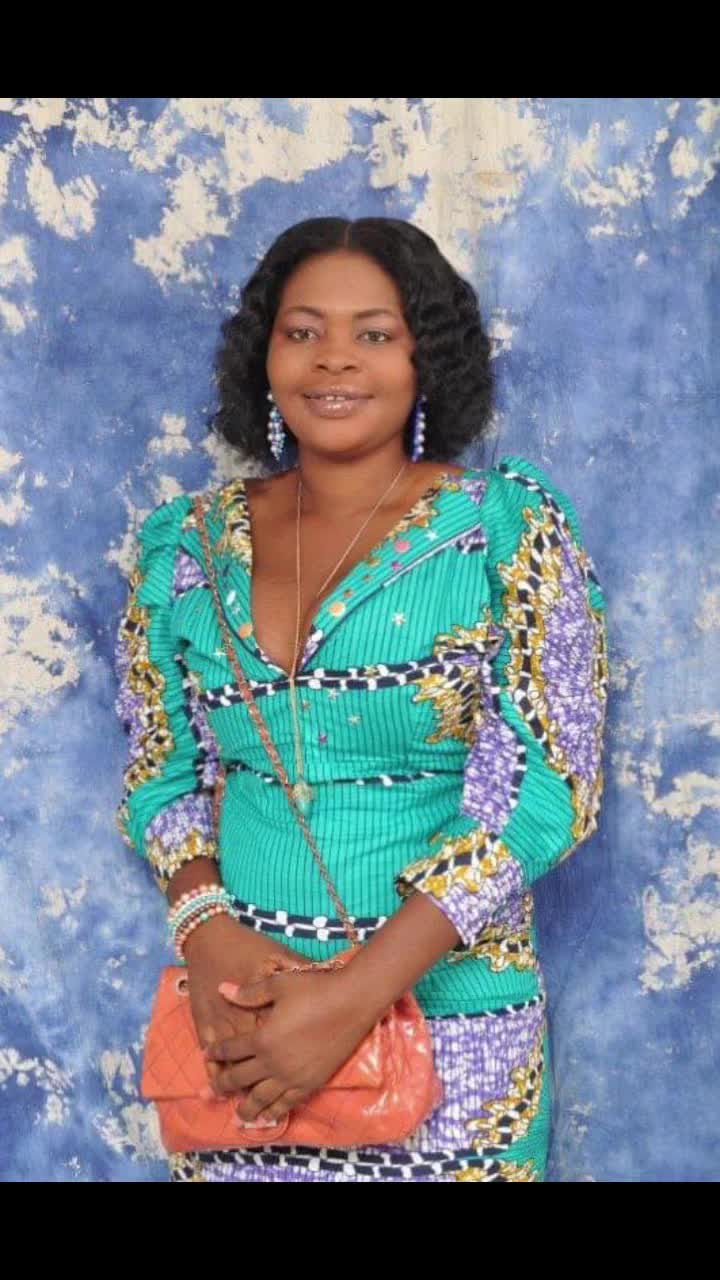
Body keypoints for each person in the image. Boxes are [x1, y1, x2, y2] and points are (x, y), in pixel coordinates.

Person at [113, 216, 609, 1182]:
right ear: (264, 357)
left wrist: (352, 999)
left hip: (451, 1037)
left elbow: (545, 792)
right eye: (302, 331)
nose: (334, 358)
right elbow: (161, 774)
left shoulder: (503, 532)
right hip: (242, 1031)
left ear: (427, 359)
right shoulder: (185, 546)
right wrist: (208, 938)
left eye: (375, 333)